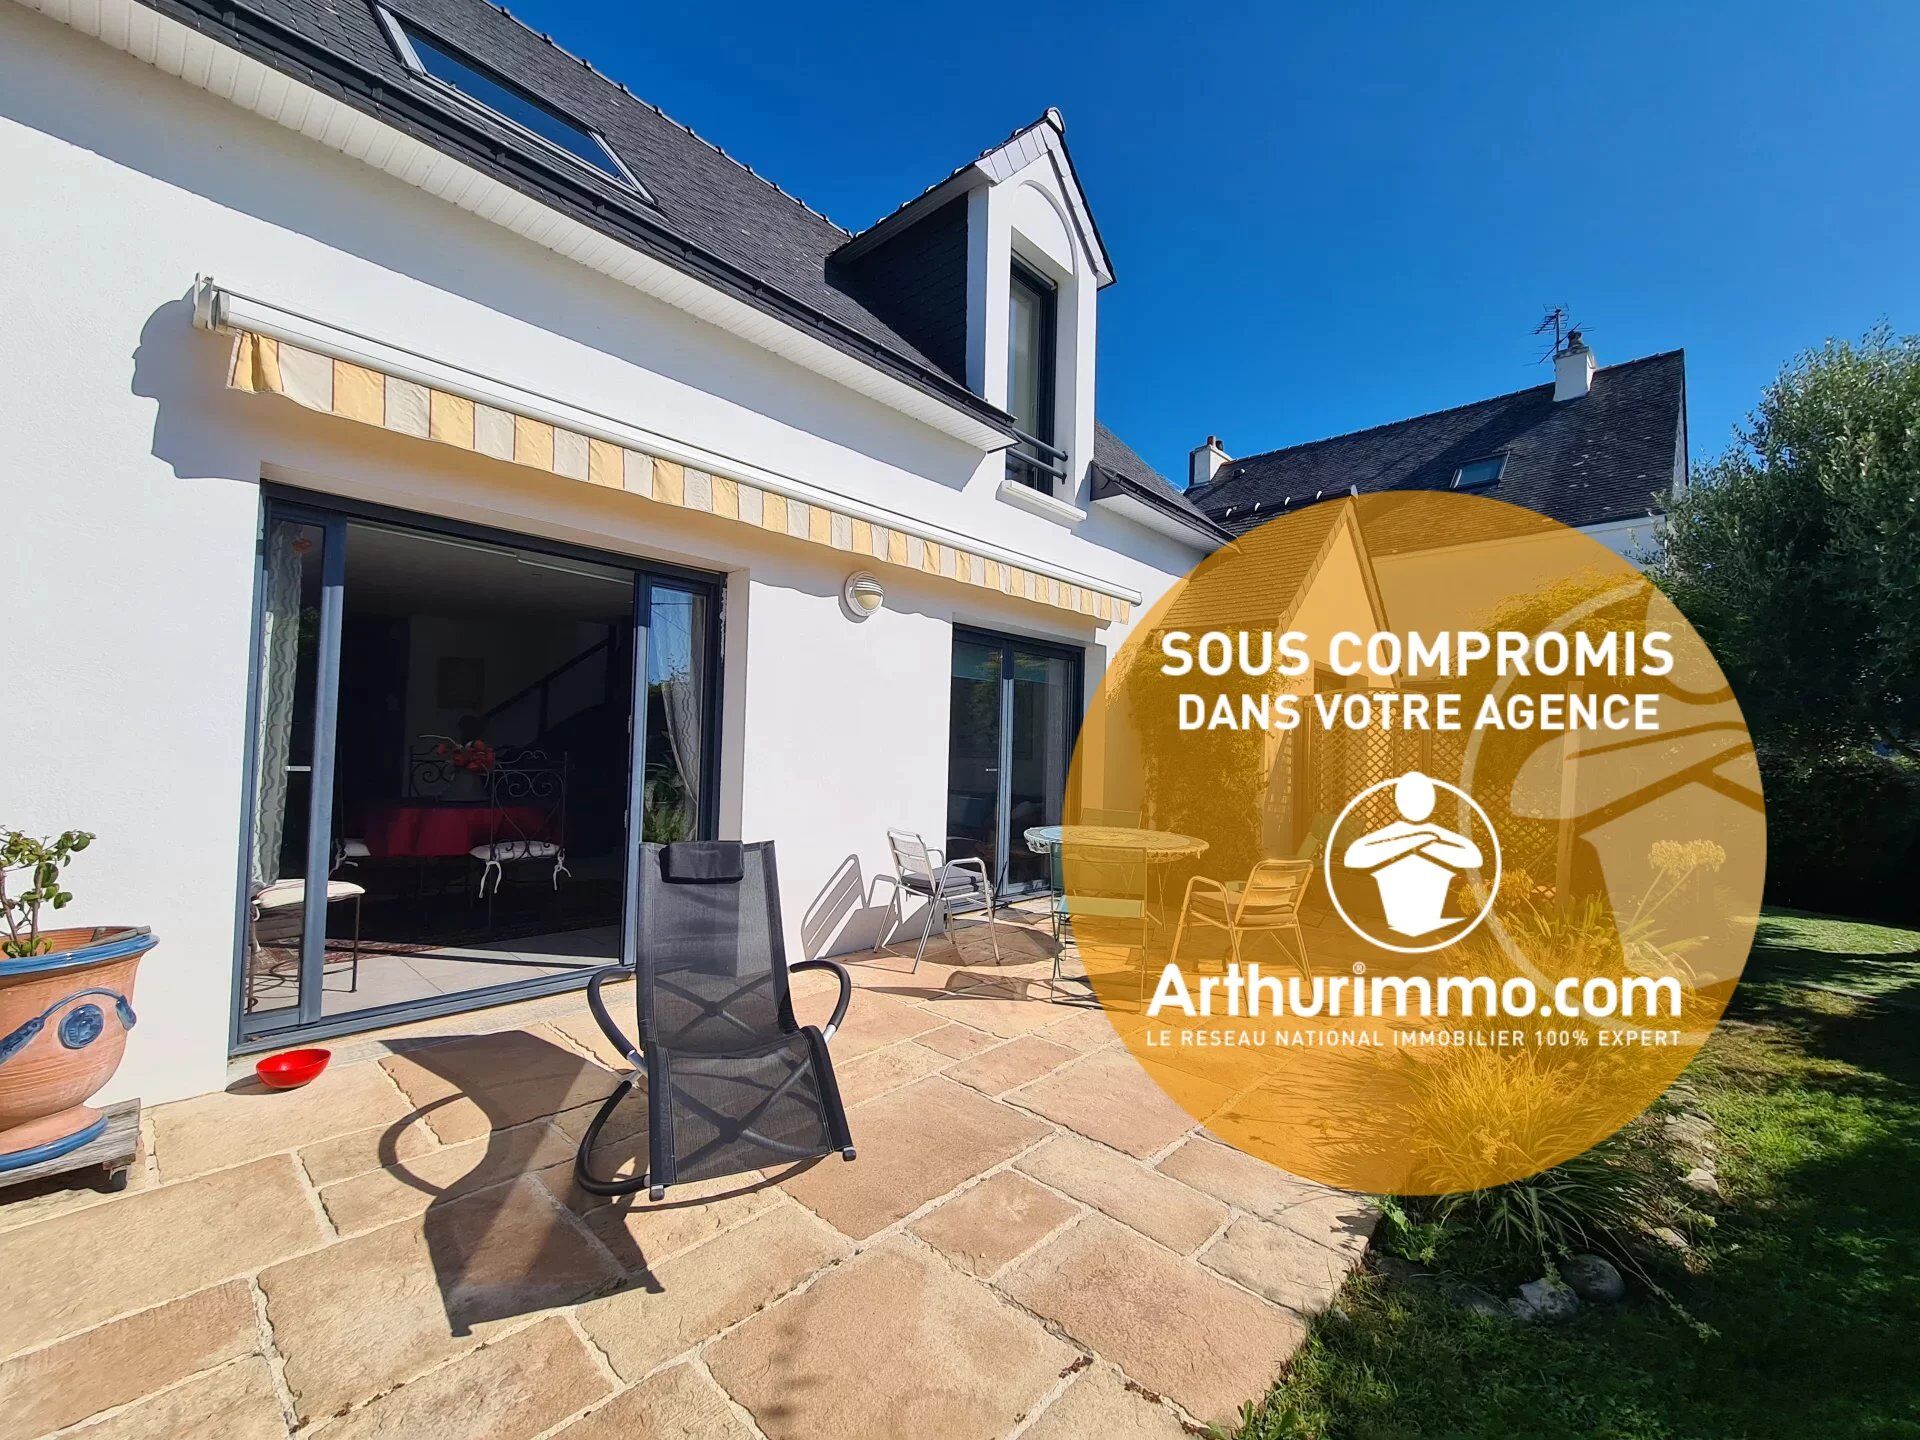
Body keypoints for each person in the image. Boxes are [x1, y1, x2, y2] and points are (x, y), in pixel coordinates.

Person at [1341, 771, 1482, 938]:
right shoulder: (1398, 830)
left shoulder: (1434, 831)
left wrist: (1429, 844)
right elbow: (1354, 856)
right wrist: (1414, 840)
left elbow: (1472, 856)